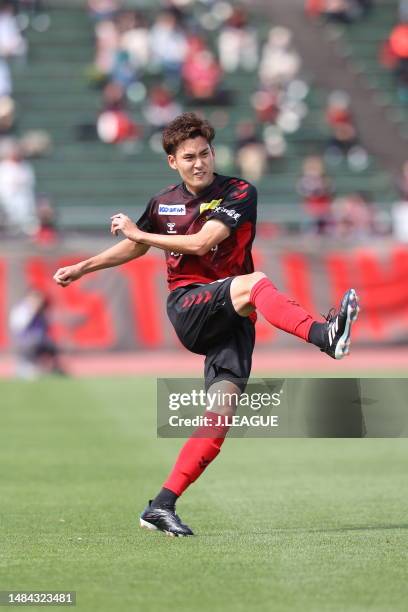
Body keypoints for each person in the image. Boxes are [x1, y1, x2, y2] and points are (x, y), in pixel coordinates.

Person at [53, 112, 359, 538]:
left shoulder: (238, 191)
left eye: (205, 153)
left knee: (221, 413)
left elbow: (200, 242)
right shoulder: (164, 203)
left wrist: (141, 237)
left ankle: (160, 505)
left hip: (232, 315)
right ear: (172, 162)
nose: (200, 163)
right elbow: (131, 247)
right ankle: (325, 335)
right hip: (191, 305)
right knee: (256, 284)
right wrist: (83, 267)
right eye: (190, 157)